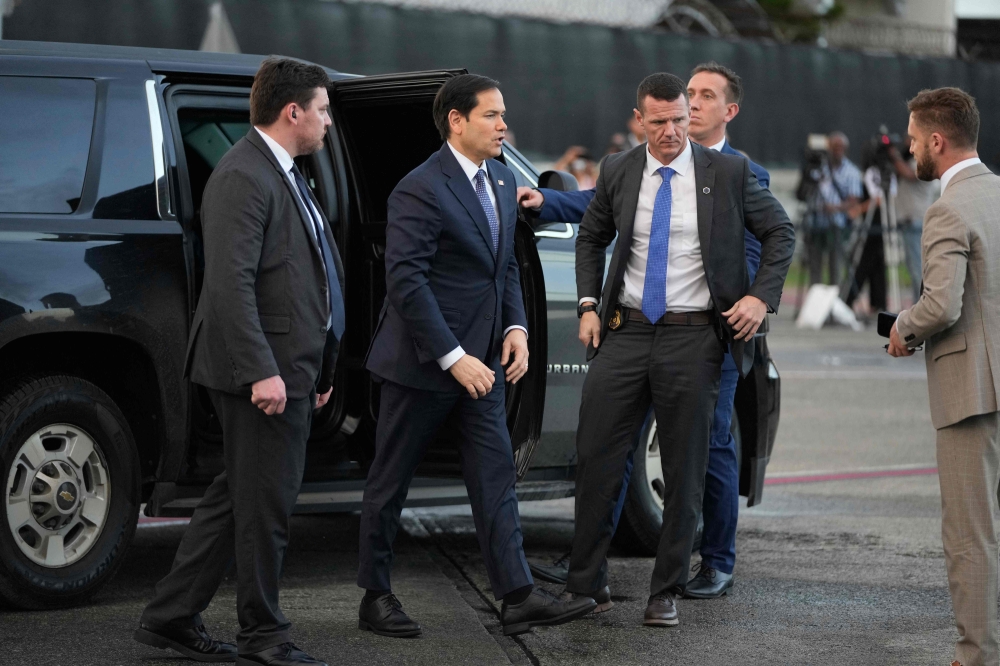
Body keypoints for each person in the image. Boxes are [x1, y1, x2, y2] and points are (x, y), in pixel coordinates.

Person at [519, 62, 771, 603]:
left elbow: (758, 245)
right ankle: (592, 558)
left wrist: (747, 301)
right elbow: (600, 207)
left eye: (705, 97)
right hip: (635, 330)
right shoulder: (636, 165)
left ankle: (717, 560)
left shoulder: (738, 171)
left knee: (711, 447)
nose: (695, 106)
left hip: (713, 331)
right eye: (691, 94)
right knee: (615, 441)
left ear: (727, 111)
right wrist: (547, 201)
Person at [355, 74, 596, 639]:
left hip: (485, 364)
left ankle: (517, 597)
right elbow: (407, 284)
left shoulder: (500, 177)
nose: (503, 125)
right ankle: (374, 596)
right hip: (421, 364)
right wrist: (453, 356)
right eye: (491, 115)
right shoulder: (419, 187)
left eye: (503, 114)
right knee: (390, 482)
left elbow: (506, 264)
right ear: (456, 121)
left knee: (494, 480)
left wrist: (516, 327)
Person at [135, 58, 344, 666]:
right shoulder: (243, 176)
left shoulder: (284, 172)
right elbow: (230, 284)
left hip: (291, 366)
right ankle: (264, 635)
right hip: (260, 372)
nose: (329, 122)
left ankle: (171, 615)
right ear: (293, 111)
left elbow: (307, 277)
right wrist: (263, 371)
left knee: (238, 499)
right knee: (265, 509)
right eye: (324, 110)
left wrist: (319, 368)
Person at [888, 87, 1000, 666]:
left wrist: (903, 329)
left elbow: (942, 306)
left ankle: (975, 656)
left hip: (972, 396)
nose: (910, 151)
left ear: (937, 140)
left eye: (912, 140)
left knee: (970, 536)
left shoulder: (948, 209)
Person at [808, 132, 862, 286]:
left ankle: (833, 302)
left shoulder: (851, 171)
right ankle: (814, 301)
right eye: (834, 147)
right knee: (815, 267)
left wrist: (836, 208)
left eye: (840, 147)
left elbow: (854, 200)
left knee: (835, 267)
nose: (837, 150)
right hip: (816, 222)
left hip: (837, 224)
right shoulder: (819, 168)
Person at [889, 145, 940, 303]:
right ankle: (918, 303)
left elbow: (909, 174)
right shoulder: (916, 161)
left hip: (915, 221)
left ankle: (921, 305)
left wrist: (893, 155)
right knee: (914, 266)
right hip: (912, 221)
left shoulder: (923, 162)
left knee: (917, 267)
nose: (910, 146)